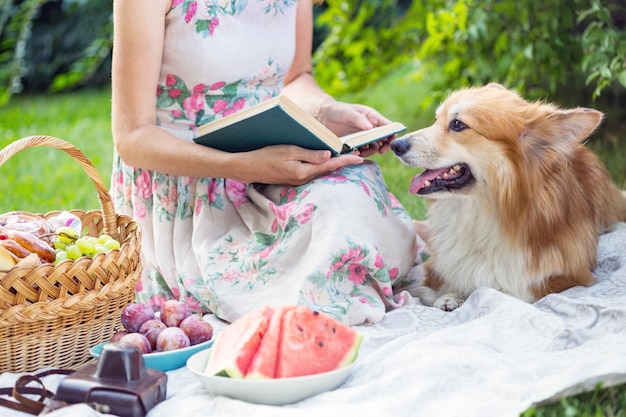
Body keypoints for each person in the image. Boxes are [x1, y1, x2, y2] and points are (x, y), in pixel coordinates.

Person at [110, 0, 423, 326]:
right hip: (185, 186)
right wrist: (242, 166)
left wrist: (326, 112)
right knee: (328, 240)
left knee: (352, 191)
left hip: (269, 168)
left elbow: (294, 79)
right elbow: (133, 137)